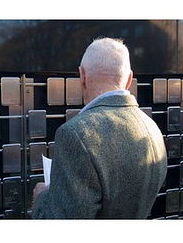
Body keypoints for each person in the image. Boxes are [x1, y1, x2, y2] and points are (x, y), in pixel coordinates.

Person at [32, 37, 167, 219]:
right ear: (128, 79)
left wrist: (42, 198)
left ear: (83, 76)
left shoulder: (75, 134)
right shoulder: (152, 129)